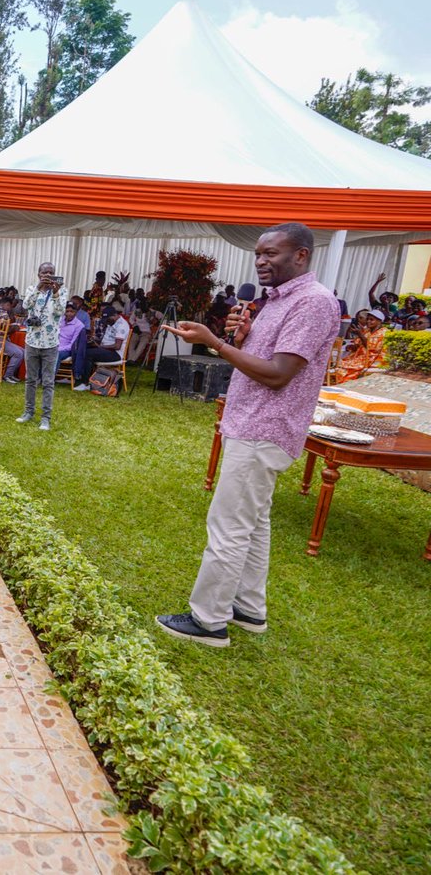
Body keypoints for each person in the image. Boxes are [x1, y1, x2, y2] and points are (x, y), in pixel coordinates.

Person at [156, 222, 339, 647]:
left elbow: (278, 375)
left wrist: (215, 346)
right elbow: (261, 358)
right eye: (258, 253)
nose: (261, 261)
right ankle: (248, 608)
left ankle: (208, 620)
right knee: (254, 523)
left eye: (271, 253)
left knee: (229, 525)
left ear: (301, 256)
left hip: (265, 427)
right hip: (252, 422)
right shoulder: (276, 301)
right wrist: (239, 337)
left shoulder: (312, 303)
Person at [16, 264, 66, 428]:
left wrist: (56, 292)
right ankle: (28, 412)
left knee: (48, 382)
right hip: (32, 341)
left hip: (50, 344)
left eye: (51, 272)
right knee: (30, 380)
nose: (48, 275)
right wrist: (38, 288)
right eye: (45, 272)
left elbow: (60, 311)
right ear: (38, 274)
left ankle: (46, 418)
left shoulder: (61, 291)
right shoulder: (32, 288)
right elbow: (25, 306)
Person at [333, 308, 386, 383]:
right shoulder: (367, 330)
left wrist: (360, 334)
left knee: (343, 369)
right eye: (367, 319)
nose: (368, 321)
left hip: (371, 359)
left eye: (371, 320)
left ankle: (344, 384)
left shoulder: (383, 333)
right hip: (358, 357)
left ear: (379, 321)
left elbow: (371, 348)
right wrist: (352, 347)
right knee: (337, 364)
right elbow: (357, 344)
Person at [81, 306, 129, 386]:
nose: (106, 322)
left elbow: (117, 346)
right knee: (82, 348)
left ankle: (85, 382)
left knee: (88, 353)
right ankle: (77, 377)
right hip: (106, 349)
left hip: (115, 354)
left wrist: (100, 347)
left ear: (114, 315)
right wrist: (94, 340)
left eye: (107, 320)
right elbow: (106, 340)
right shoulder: (112, 322)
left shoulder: (122, 325)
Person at [54, 302, 88, 385]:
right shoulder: (60, 320)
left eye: (71, 311)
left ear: (76, 312)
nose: (69, 313)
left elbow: (73, 344)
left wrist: (59, 348)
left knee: (56, 354)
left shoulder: (79, 325)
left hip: (68, 349)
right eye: (67, 311)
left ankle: (49, 379)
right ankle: (38, 376)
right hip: (54, 345)